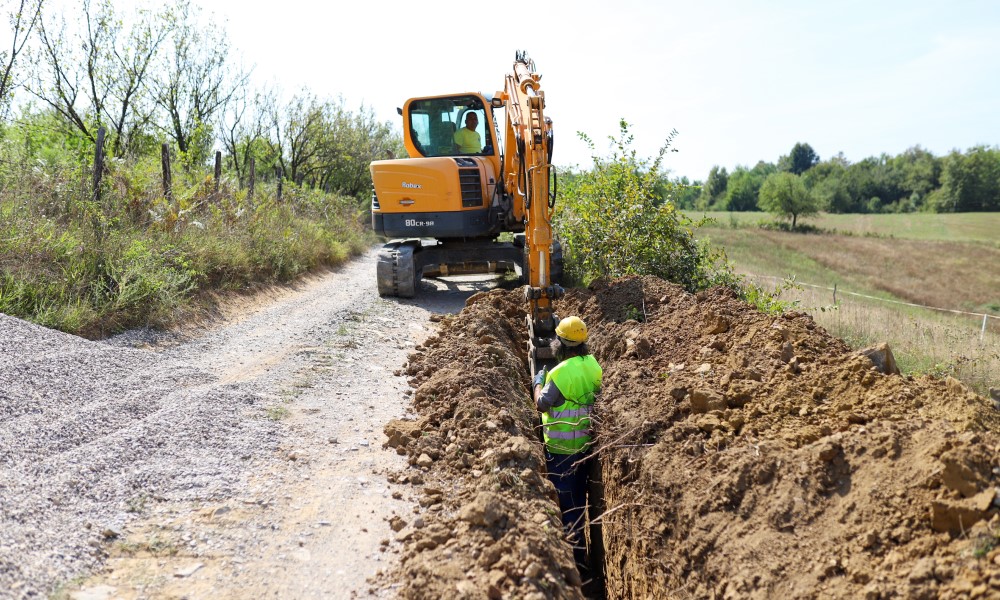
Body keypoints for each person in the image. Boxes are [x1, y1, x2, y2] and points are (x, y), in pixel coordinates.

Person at [532, 315, 602, 569]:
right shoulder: (593, 365)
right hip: (585, 447)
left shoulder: (559, 373)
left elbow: (541, 404)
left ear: (560, 343)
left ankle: (577, 563)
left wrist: (538, 383)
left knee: (569, 509)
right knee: (578, 503)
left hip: (561, 454)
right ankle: (581, 557)